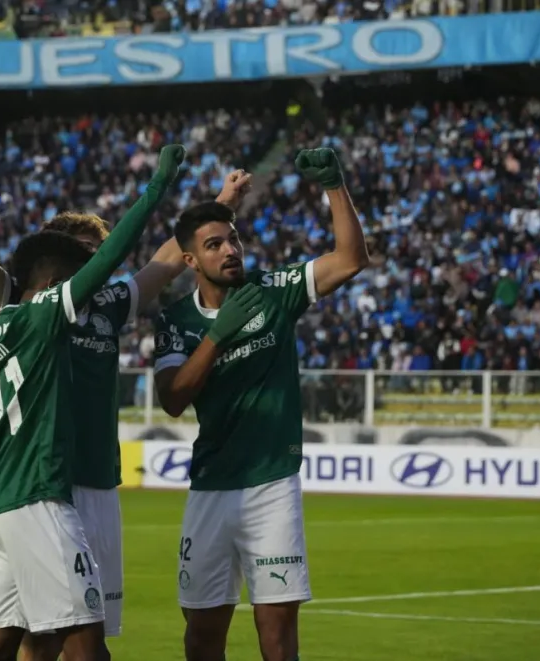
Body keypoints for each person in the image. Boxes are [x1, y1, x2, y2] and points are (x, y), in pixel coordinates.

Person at [0, 135, 250, 660]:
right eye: (87, 260)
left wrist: (222, 203)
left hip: (96, 481)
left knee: (62, 628)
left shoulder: (109, 305)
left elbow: (168, 263)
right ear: (57, 266)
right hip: (44, 482)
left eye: (100, 258)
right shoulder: (24, 304)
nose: (99, 269)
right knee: (55, 637)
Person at [152, 148, 370, 661]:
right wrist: (218, 337)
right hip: (209, 487)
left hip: (273, 484)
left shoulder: (273, 290)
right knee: (203, 638)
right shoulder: (176, 320)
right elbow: (173, 400)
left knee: (277, 638)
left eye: (233, 239)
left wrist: (334, 185)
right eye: (214, 245)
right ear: (190, 260)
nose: (231, 250)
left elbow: (351, 259)